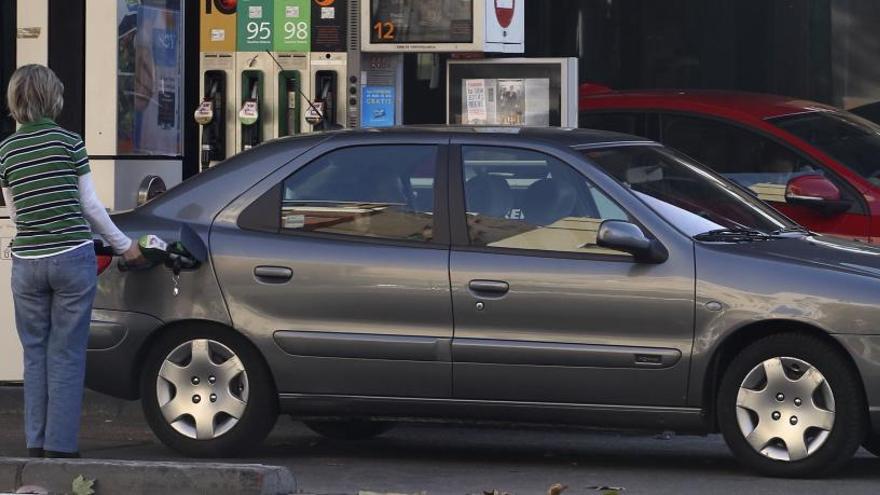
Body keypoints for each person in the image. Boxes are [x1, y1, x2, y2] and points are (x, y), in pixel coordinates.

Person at [0, 64, 144, 458]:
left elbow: (14, 214)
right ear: (53, 99)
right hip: (70, 257)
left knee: (35, 354)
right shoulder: (69, 143)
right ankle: (60, 448)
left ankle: (35, 442)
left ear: (15, 101)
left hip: (27, 263)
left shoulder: (6, 151)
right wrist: (124, 245)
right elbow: (90, 206)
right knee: (65, 353)